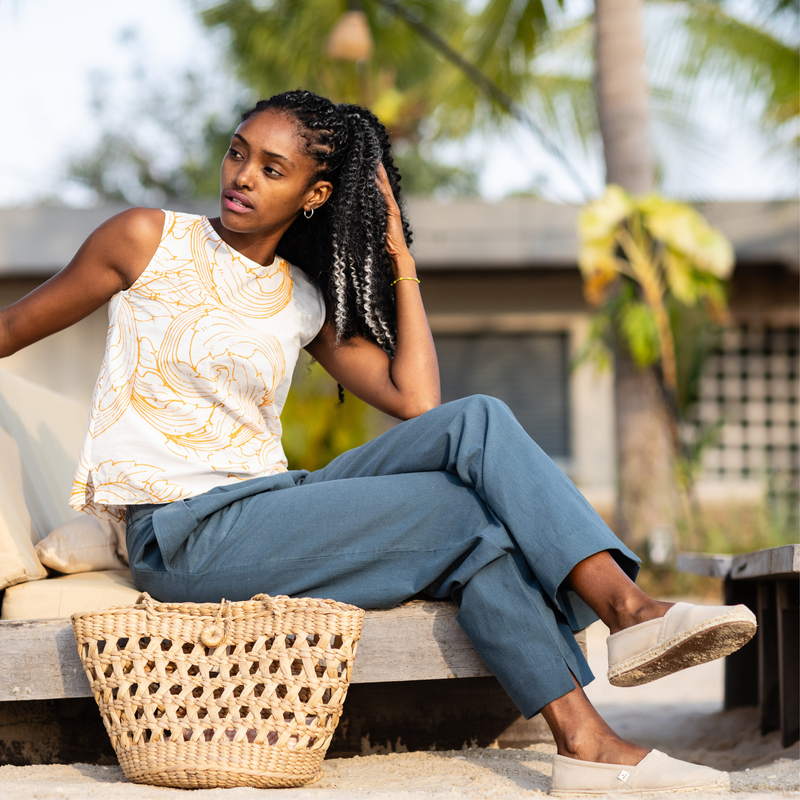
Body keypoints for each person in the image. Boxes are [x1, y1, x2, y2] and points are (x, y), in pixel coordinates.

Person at [0, 89, 755, 795]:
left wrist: (401, 257)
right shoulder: (146, 239)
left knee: (477, 425)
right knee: (466, 517)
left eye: (272, 168)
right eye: (238, 153)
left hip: (264, 501)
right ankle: (622, 620)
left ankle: (589, 739)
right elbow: (11, 327)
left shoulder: (299, 298)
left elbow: (418, 400)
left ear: (314, 195)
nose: (241, 177)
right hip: (183, 536)